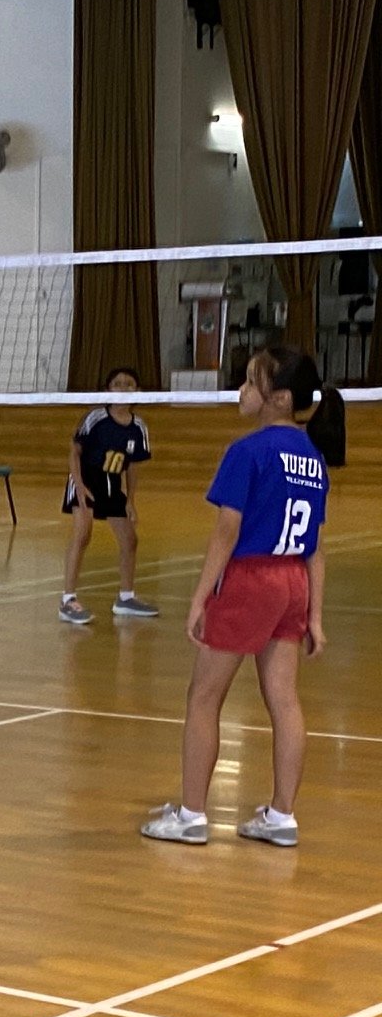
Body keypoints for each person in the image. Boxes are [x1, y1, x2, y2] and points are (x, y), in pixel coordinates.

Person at [142, 347, 345, 849]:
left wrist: (199, 596)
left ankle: (190, 815)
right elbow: (314, 549)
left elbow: (225, 533)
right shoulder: (313, 458)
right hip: (292, 582)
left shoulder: (248, 451)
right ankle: (281, 816)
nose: (241, 392)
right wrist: (315, 616)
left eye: (250, 384)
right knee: (284, 701)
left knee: (204, 697)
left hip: (251, 579)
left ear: (277, 398)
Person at [59, 368, 157, 624]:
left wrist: (131, 500)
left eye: (129, 384)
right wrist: (78, 485)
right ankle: (68, 600)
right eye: (117, 383)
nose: (123, 388)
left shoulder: (139, 428)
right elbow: (74, 451)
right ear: (107, 390)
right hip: (87, 478)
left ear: (138, 392)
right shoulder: (95, 418)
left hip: (112, 483)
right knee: (83, 533)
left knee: (130, 540)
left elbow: (133, 466)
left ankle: (126, 598)